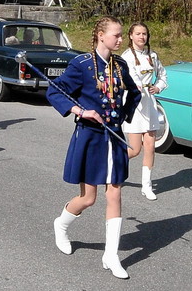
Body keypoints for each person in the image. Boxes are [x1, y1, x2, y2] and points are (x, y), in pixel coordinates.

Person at [46, 16, 141, 279]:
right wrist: (80, 111)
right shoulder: (81, 64)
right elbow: (54, 91)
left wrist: (122, 116)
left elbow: (134, 93)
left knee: (115, 194)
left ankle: (111, 255)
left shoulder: (120, 65)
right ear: (101, 35)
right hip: (90, 136)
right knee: (89, 198)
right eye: (116, 35)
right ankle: (61, 225)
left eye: (121, 35)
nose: (121, 39)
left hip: (114, 136)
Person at [121, 22, 168, 201]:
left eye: (144, 34)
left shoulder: (152, 55)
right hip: (134, 104)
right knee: (134, 150)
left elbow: (163, 75)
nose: (142, 37)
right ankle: (113, 166)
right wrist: (139, 87)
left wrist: (158, 87)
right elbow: (131, 78)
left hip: (149, 104)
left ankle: (146, 186)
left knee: (150, 147)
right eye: (138, 34)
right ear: (131, 36)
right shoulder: (126, 57)